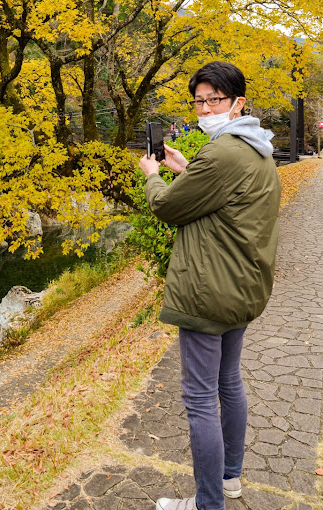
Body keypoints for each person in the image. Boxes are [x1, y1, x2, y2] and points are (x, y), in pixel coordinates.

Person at [139, 61, 281, 510]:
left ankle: (208, 503)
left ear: (238, 102)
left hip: (208, 292)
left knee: (200, 398)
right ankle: (229, 481)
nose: (204, 108)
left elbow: (168, 208)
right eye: (199, 101)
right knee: (228, 382)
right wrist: (186, 170)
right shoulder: (255, 149)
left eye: (214, 100)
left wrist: (154, 175)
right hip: (242, 287)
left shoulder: (220, 154)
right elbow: (222, 200)